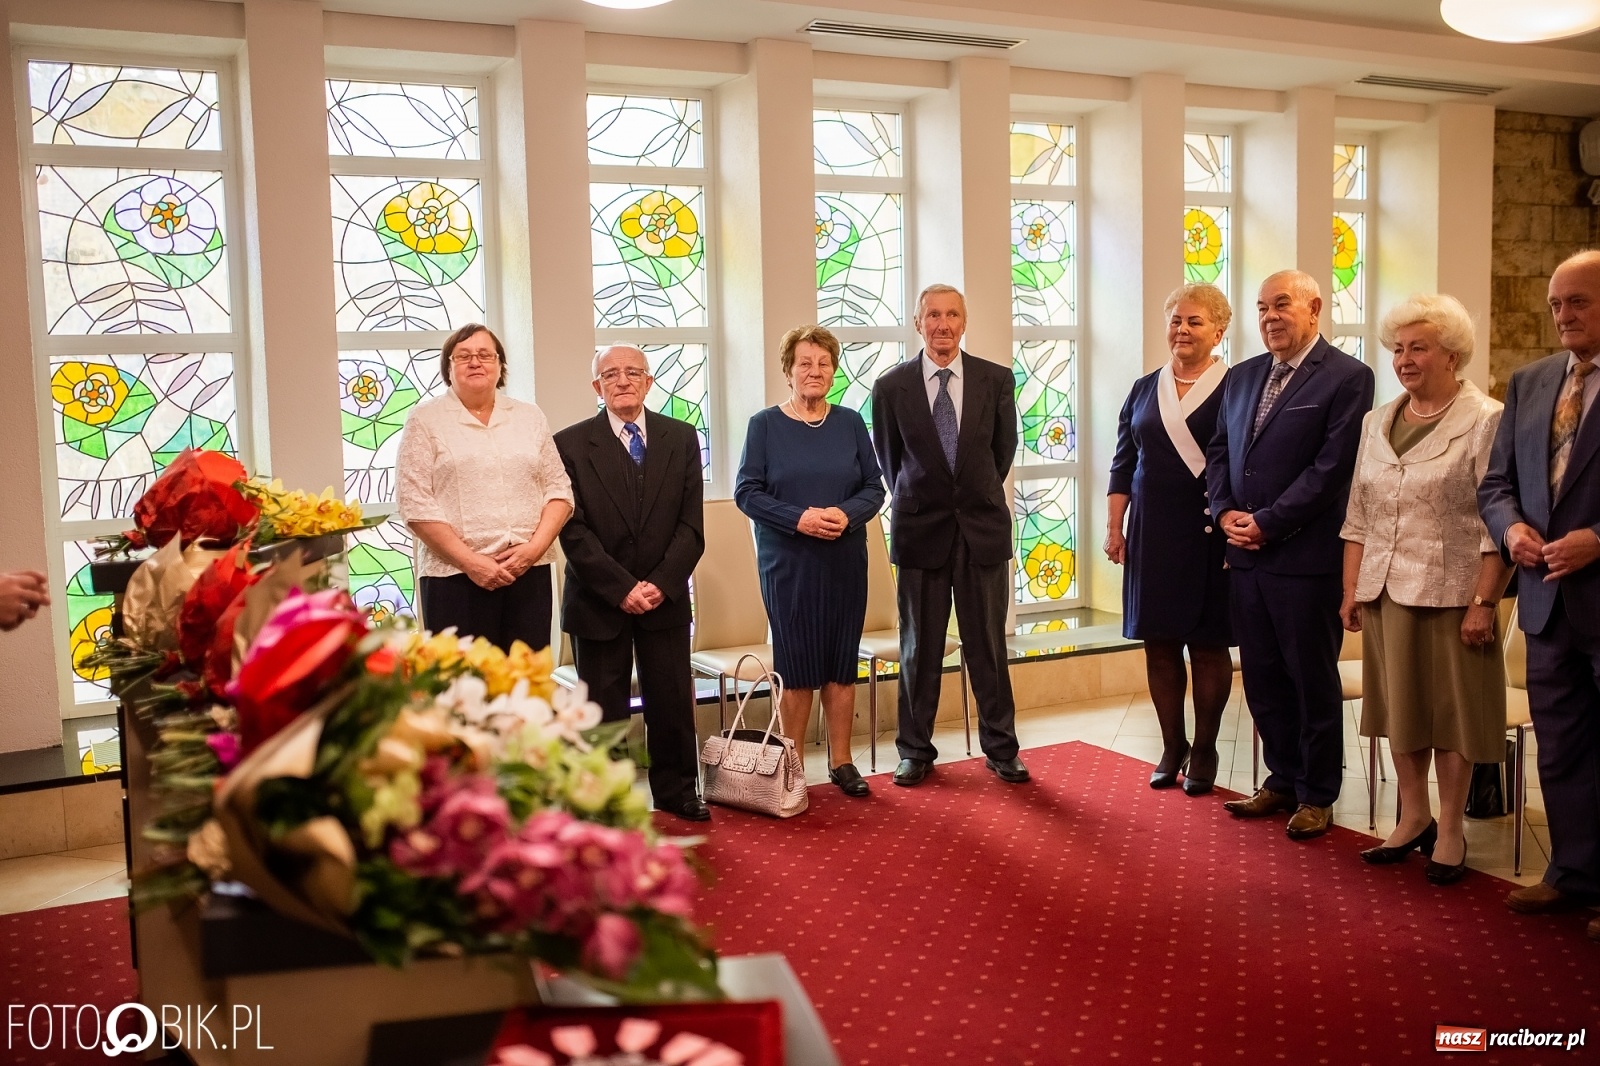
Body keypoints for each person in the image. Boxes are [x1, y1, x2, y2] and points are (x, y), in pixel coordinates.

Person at [1339, 294, 1508, 885]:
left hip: (1454, 594)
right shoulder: (1376, 421)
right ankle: (1413, 817)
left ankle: (1452, 828)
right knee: (1399, 710)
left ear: (1452, 355)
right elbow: (1358, 513)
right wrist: (1351, 590)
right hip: (1384, 590)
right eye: (1398, 349)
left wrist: (1484, 602)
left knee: (1452, 716)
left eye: (1419, 348)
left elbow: (1496, 519)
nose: (1404, 360)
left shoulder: (1486, 418)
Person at [1206, 270, 1374, 840]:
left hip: (1305, 560)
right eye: (1261, 308)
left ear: (1314, 308)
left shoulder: (1348, 377)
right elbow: (1220, 451)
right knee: (1263, 678)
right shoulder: (1243, 375)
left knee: (1310, 680)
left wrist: (1270, 523)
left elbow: (1332, 468)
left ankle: (1317, 793)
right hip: (1246, 557)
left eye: (1282, 305)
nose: (1270, 317)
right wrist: (1225, 512)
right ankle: (1281, 779)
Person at [1479, 249, 1600, 936]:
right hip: (1546, 603)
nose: (1562, 315)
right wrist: (1511, 528)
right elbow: (1496, 483)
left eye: (1577, 301)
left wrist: (1599, 540)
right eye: (1556, 303)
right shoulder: (1531, 382)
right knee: (1562, 747)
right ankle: (1574, 873)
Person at [870, 284, 1027, 787]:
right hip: (921, 531)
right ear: (918, 323)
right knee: (919, 648)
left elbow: (1002, 452)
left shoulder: (995, 379)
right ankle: (915, 750)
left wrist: (968, 494)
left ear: (964, 322)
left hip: (982, 529)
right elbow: (891, 461)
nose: (943, 324)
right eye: (933, 315)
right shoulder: (891, 386)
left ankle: (1001, 748)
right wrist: (928, 495)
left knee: (988, 646)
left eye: (952, 315)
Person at [556, 345, 708, 822]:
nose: (622, 381)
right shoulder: (569, 445)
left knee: (671, 701)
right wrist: (621, 588)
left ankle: (677, 792)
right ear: (597, 387)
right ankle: (602, 802)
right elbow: (572, 530)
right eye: (610, 374)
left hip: (664, 597)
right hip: (598, 600)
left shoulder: (680, 437)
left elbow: (691, 525)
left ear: (648, 382)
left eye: (632, 373)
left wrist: (660, 583)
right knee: (602, 712)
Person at [735, 325, 885, 797]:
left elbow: (875, 488)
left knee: (841, 660)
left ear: (834, 371)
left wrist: (847, 513)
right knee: (797, 665)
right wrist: (798, 519)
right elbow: (746, 492)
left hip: (845, 559)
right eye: (805, 363)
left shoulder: (850, 423)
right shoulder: (764, 425)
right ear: (788, 371)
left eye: (823, 363)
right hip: (789, 563)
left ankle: (842, 762)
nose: (814, 371)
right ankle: (793, 766)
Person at [1106, 283, 1234, 795]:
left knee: (1206, 646)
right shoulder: (1144, 388)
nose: (1182, 329)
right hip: (1151, 533)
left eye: (1194, 321)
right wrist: (1114, 527)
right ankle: (1171, 744)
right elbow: (1123, 463)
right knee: (1159, 645)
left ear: (1218, 332)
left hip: (1209, 533)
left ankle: (1204, 748)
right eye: (1176, 320)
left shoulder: (1235, 386)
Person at [396, 323, 573, 652]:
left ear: (500, 365)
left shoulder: (530, 416)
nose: (475, 362)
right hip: (454, 579)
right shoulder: (425, 419)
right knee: (461, 679)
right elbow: (414, 503)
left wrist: (533, 550)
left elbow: (559, 491)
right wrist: (472, 563)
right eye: (463, 356)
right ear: (448, 367)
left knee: (524, 678)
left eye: (484, 355)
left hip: (527, 574)